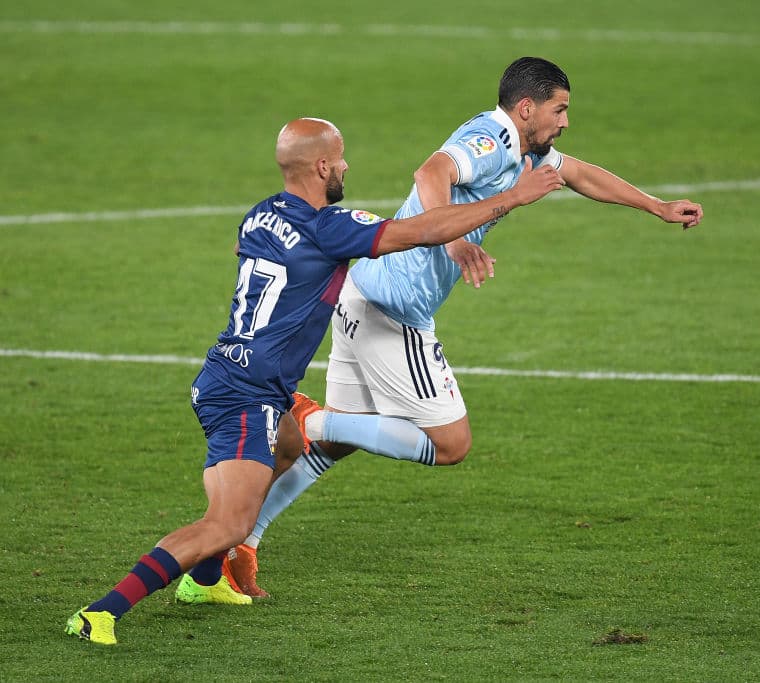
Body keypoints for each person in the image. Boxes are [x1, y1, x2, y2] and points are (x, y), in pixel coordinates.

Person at [64, 116, 565, 645]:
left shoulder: (259, 214)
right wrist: (512, 197)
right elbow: (421, 231)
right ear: (322, 166)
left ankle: (206, 581)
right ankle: (103, 611)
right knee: (226, 525)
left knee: (290, 446)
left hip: (228, 373)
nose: (347, 165)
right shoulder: (329, 226)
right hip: (247, 395)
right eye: (341, 158)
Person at [224, 57, 703, 598]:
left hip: (363, 294)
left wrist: (656, 206)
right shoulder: (489, 138)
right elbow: (430, 173)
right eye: (559, 109)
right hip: (395, 310)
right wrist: (451, 240)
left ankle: (243, 546)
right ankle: (313, 422)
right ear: (527, 108)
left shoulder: (531, 150)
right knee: (449, 444)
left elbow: (577, 173)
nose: (565, 121)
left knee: (342, 443)